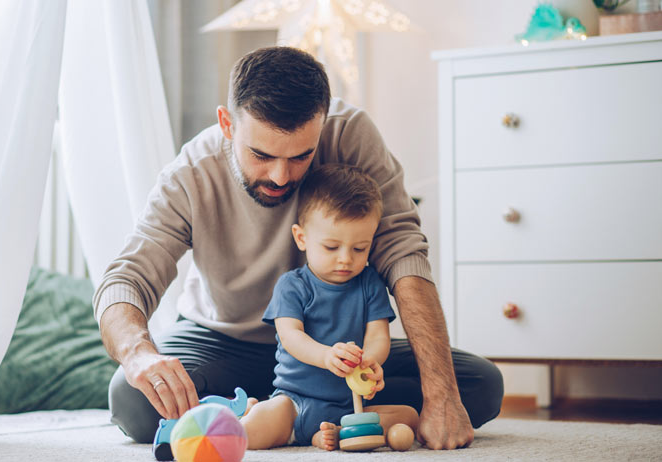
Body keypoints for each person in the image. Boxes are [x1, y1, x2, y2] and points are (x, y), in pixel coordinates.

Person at [94, 46, 503, 450]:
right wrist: (138, 354)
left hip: (334, 352)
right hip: (223, 341)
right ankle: (289, 412)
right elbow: (127, 278)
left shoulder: (351, 134)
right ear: (227, 124)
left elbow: (403, 250)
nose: (280, 175)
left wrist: (440, 391)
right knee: (134, 403)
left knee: (477, 386)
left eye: (301, 156)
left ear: (322, 126)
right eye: (261, 154)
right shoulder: (190, 175)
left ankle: (275, 414)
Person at [241, 164, 419, 450]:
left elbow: (377, 336)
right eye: (331, 247)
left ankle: (331, 434)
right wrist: (327, 356)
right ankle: (254, 414)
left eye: (360, 249)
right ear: (302, 238)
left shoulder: (370, 283)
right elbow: (291, 337)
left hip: (351, 407)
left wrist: (370, 361)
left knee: (409, 416)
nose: (346, 260)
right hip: (295, 402)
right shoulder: (292, 285)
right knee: (252, 433)